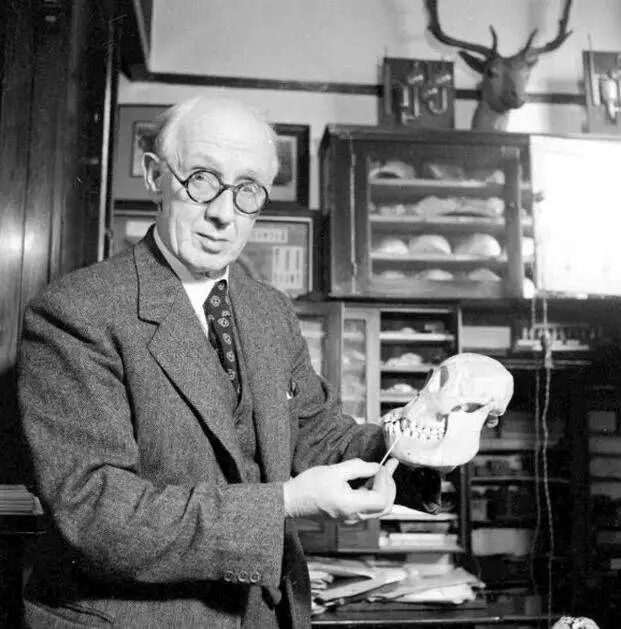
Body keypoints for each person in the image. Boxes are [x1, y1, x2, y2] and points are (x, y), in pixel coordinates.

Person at [17, 96, 442, 628]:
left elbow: (318, 435)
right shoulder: (76, 311)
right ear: (155, 176)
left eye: (248, 189)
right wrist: (283, 504)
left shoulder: (269, 309)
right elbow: (96, 511)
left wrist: (427, 438)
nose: (224, 213)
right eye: (201, 179)